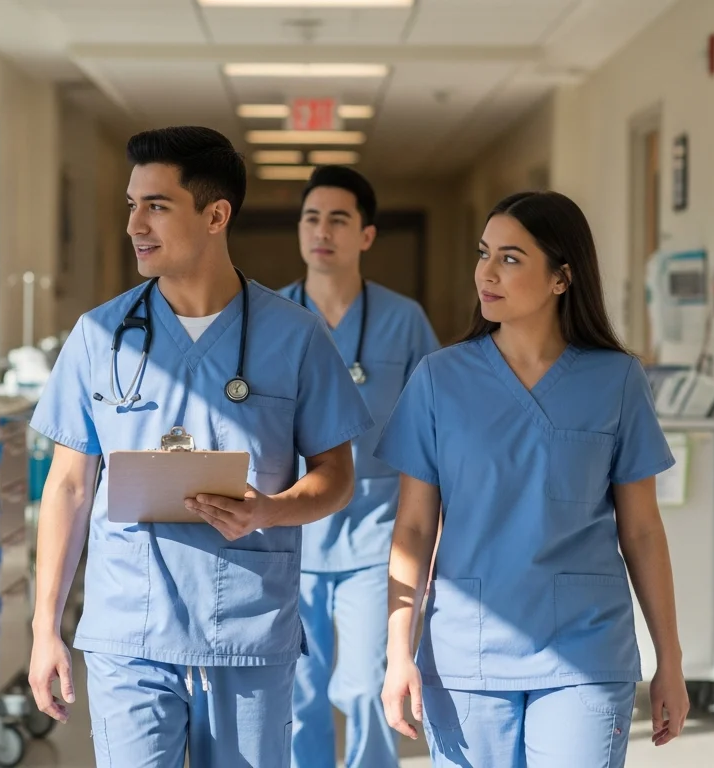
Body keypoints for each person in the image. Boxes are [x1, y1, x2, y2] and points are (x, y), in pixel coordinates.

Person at [25, 126, 374, 767]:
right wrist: (46, 626)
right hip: (130, 628)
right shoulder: (100, 335)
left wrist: (266, 510)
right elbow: (69, 486)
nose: (136, 224)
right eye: (132, 205)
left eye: (157, 205)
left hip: (245, 626)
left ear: (216, 215)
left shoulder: (295, 338)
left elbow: (337, 476)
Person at [375, 190, 690, 767]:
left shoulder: (616, 381)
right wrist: (399, 652)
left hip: (586, 646)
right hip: (468, 652)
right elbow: (414, 528)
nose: (486, 273)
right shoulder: (438, 380)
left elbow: (642, 530)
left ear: (561, 278)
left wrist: (669, 659)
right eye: (483, 253)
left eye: (511, 258)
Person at [279, 166, 439, 768]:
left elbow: (434, 429)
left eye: (339, 219)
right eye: (311, 217)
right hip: (291, 528)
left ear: (367, 235)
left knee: (371, 678)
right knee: (300, 688)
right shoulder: (270, 318)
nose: (322, 231)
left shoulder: (405, 321)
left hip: (378, 530)